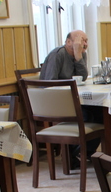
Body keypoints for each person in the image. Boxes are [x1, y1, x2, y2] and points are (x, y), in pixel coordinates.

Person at [40, 29, 100, 167]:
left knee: (100, 111)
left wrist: (78, 56)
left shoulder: (81, 54)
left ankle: (86, 151)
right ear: (68, 42)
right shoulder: (58, 55)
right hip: (55, 102)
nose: (84, 44)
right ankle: (71, 155)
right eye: (81, 40)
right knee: (85, 116)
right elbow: (49, 84)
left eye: (86, 41)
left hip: (74, 100)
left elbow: (83, 77)